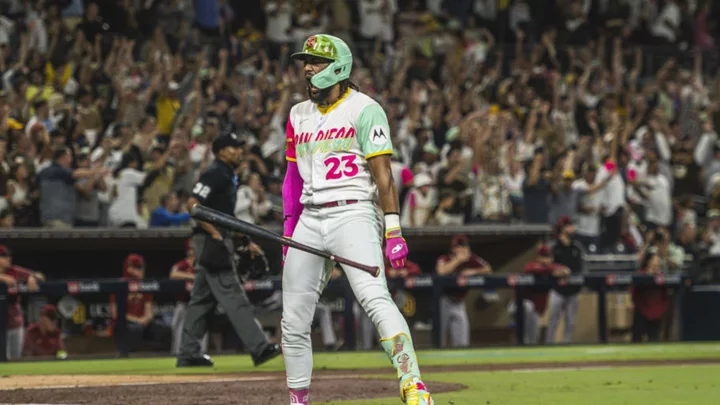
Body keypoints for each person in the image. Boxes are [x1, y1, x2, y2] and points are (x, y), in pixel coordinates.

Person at [282, 34, 434, 405]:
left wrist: (393, 229)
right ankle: (298, 400)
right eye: (306, 61)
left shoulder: (366, 109)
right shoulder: (297, 114)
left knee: (374, 298)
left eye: (315, 61)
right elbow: (292, 180)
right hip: (310, 220)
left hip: (354, 213)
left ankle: (413, 384)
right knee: (292, 320)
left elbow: (383, 175)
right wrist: (288, 231)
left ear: (338, 66)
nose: (307, 67)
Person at [176, 132, 280, 368]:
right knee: (233, 295)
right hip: (212, 241)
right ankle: (260, 347)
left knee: (201, 300)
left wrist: (245, 241)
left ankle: (188, 353)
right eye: (233, 148)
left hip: (216, 239)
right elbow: (192, 203)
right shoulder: (215, 172)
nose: (238, 151)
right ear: (221, 151)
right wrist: (213, 232)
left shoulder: (226, 175)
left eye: (238, 147)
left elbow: (227, 217)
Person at [435, 234, 492, 348]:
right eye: (459, 246)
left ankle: (461, 365)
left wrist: (473, 271)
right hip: (443, 301)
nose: (462, 249)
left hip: (459, 303)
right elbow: (441, 271)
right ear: (453, 248)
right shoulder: (445, 259)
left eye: (464, 246)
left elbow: (488, 269)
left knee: (462, 342)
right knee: (439, 339)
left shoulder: (472, 259)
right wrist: (458, 260)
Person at [110, 254, 170, 356]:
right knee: (135, 329)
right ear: (129, 268)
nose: (141, 270)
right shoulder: (119, 285)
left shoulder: (145, 285)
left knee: (164, 329)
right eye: (137, 268)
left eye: (141, 267)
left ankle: (161, 357)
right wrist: (137, 320)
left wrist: (145, 319)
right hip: (124, 323)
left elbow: (149, 311)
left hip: (142, 322)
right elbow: (115, 314)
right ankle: (127, 356)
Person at [545, 216, 585, 344]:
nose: (572, 228)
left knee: (570, 322)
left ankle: (566, 346)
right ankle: (549, 345)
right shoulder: (553, 246)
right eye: (570, 225)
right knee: (553, 320)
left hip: (573, 289)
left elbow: (582, 267)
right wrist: (557, 271)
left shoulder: (577, 246)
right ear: (563, 228)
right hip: (557, 289)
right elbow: (547, 265)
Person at [0, 244, 41, 359]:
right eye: (3, 256)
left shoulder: (14, 271)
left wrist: (32, 278)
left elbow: (39, 275)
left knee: (15, 357)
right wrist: (2, 277)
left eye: (8, 256)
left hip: (14, 322)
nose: (8, 258)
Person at [169, 239, 208, 356]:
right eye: (191, 248)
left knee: (201, 329)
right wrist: (193, 277)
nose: (193, 251)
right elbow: (173, 274)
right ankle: (177, 353)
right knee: (177, 327)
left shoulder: (203, 263)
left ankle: (201, 353)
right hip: (183, 302)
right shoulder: (183, 264)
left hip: (199, 302)